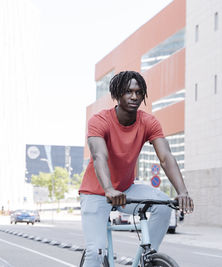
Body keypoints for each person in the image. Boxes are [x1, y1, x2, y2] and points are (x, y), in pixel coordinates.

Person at [79, 70, 194, 266]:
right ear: (117, 94)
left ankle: (147, 260)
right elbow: (99, 156)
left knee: (164, 205)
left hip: (125, 190)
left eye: (139, 92)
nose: (134, 96)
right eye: (128, 91)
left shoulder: (148, 122)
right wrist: (108, 189)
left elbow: (166, 157)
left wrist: (182, 192)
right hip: (96, 192)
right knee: (96, 251)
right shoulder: (99, 121)